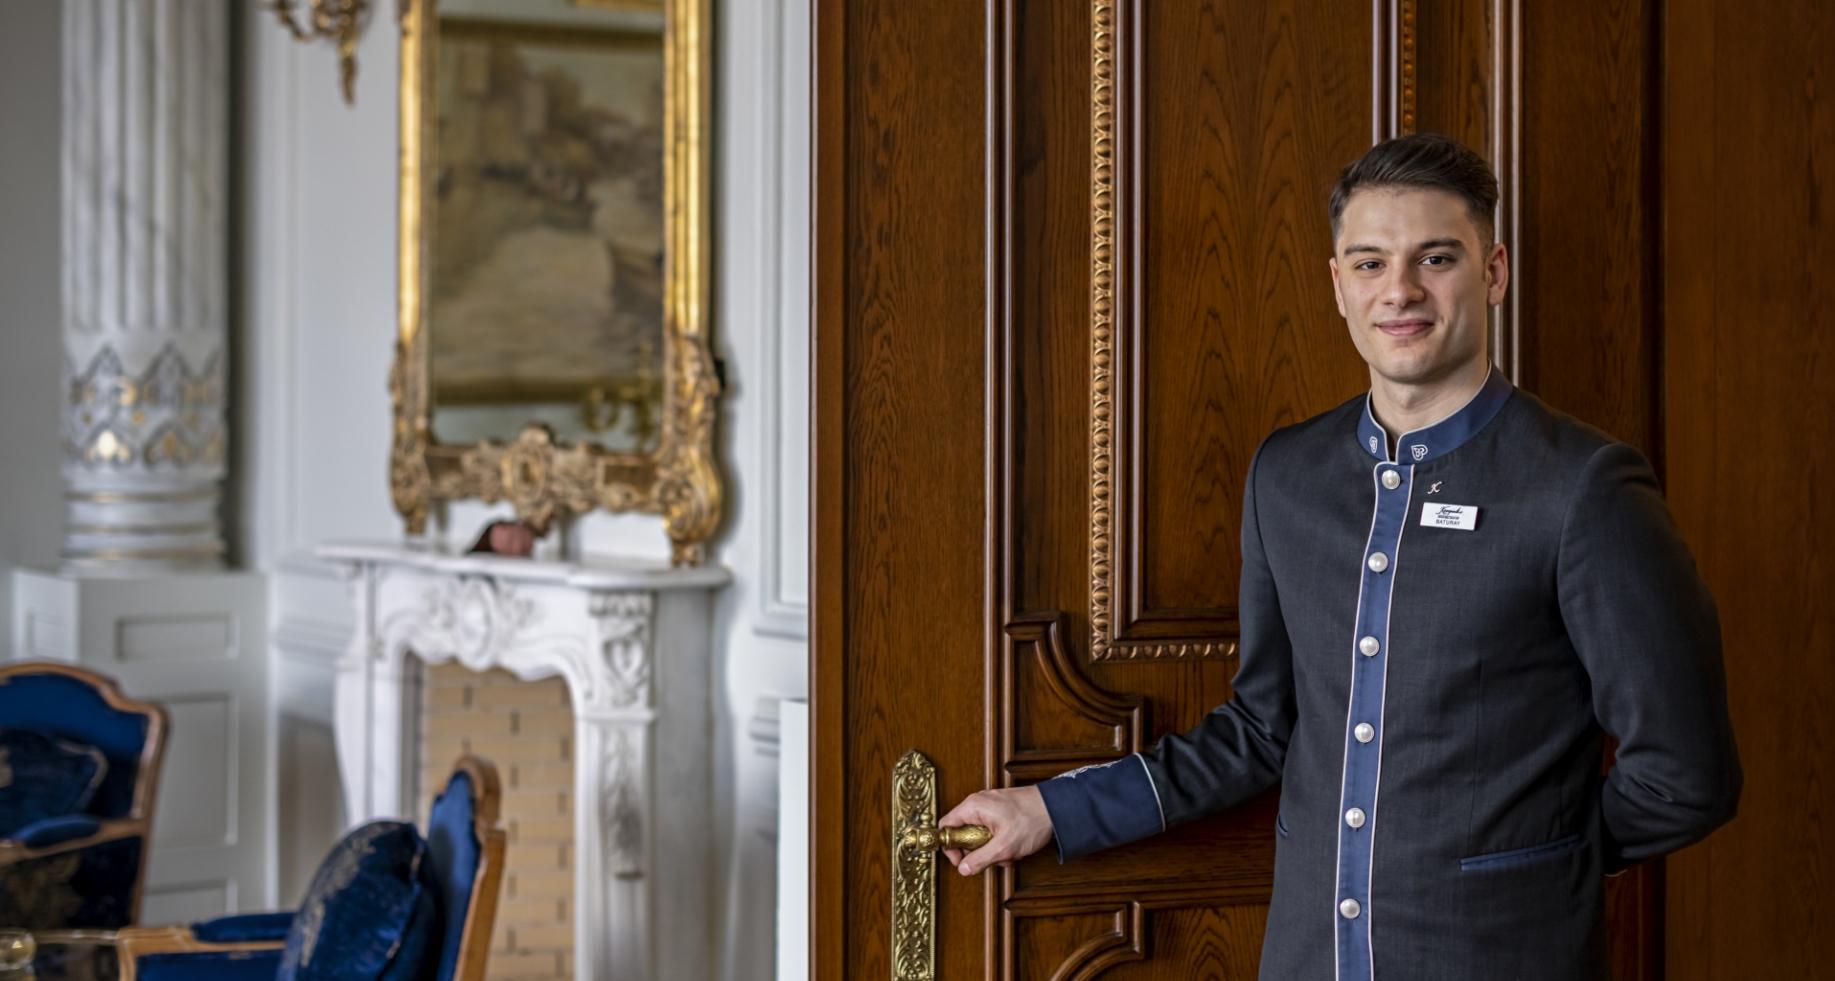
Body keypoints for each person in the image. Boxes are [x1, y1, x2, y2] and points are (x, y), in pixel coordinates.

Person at [936, 133, 1740, 980]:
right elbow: (1257, 730)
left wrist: (1539, 863)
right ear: (1337, 285)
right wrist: (1051, 808)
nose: (1399, 290)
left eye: (1435, 258)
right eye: (1368, 263)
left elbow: (1685, 774)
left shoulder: (1582, 488)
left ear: (1492, 272)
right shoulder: (1286, 475)